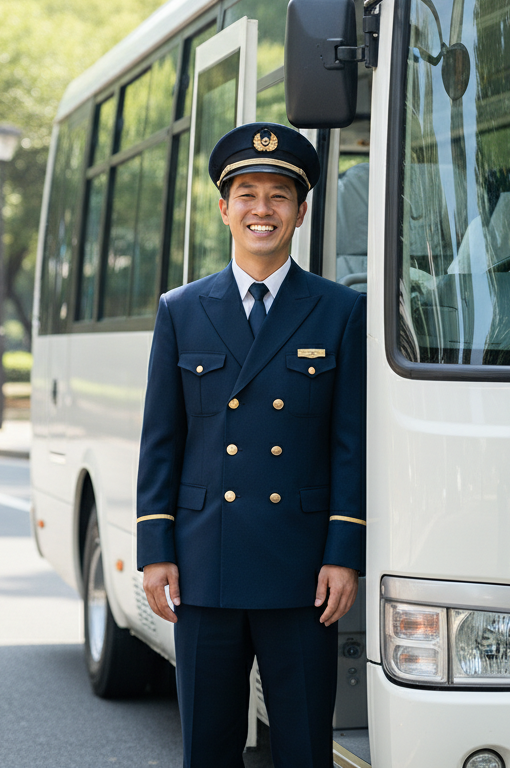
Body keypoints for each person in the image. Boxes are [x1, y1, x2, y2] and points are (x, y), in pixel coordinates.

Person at [135, 122, 366, 768]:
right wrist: (157, 550)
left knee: (302, 749)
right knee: (207, 750)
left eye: (278, 196)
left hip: (303, 575)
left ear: (301, 211)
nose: (262, 210)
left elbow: (350, 445)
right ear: (223, 208)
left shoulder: (339, 311)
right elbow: (161, 440)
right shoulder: (182, 309)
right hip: (206, 565)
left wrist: (343, 554)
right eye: (247, 194)